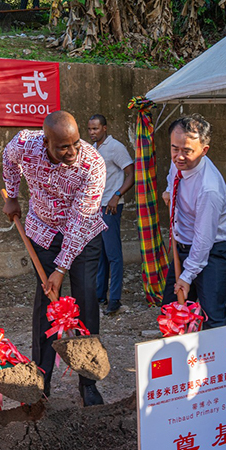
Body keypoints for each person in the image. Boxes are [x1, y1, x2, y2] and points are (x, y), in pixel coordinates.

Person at [2, 111, 107, 407]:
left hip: (82, 237)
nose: (72, 152)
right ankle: (42, 379)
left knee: (85, 300)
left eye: (75, 143)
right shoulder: (25, 143)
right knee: (46, 305)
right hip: (43, 233)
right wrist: (12, 194)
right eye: (63, 147)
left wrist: (61, 268)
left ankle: (88, 382)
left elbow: (79, 222)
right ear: (46, 141)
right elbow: (9, 159)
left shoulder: (92, 165)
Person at [161, 114, 226, 329]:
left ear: (204, 150)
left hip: (214, 251)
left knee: (211, 313)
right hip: (183, 246)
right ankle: (183, 360)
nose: (179, 156)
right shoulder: (178, 161)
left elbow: (204, 241)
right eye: (175, 148)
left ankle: (215, 361)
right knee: (172, 309)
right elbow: (172, 176)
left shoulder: (209, 189)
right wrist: (168, 191)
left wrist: (187, 276)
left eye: (187, 151)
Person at [88, 114, 134, 314]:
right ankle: (100, 295)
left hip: (111, 207)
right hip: (97, 207)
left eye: (96, 129)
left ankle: (114, 299)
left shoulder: (115, 147)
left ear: (105, 128)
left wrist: (117, 195)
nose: (92, 132)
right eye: (90, 129)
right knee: (101, 254)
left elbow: (132, 174)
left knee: (113, 255)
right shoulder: (94, 148)